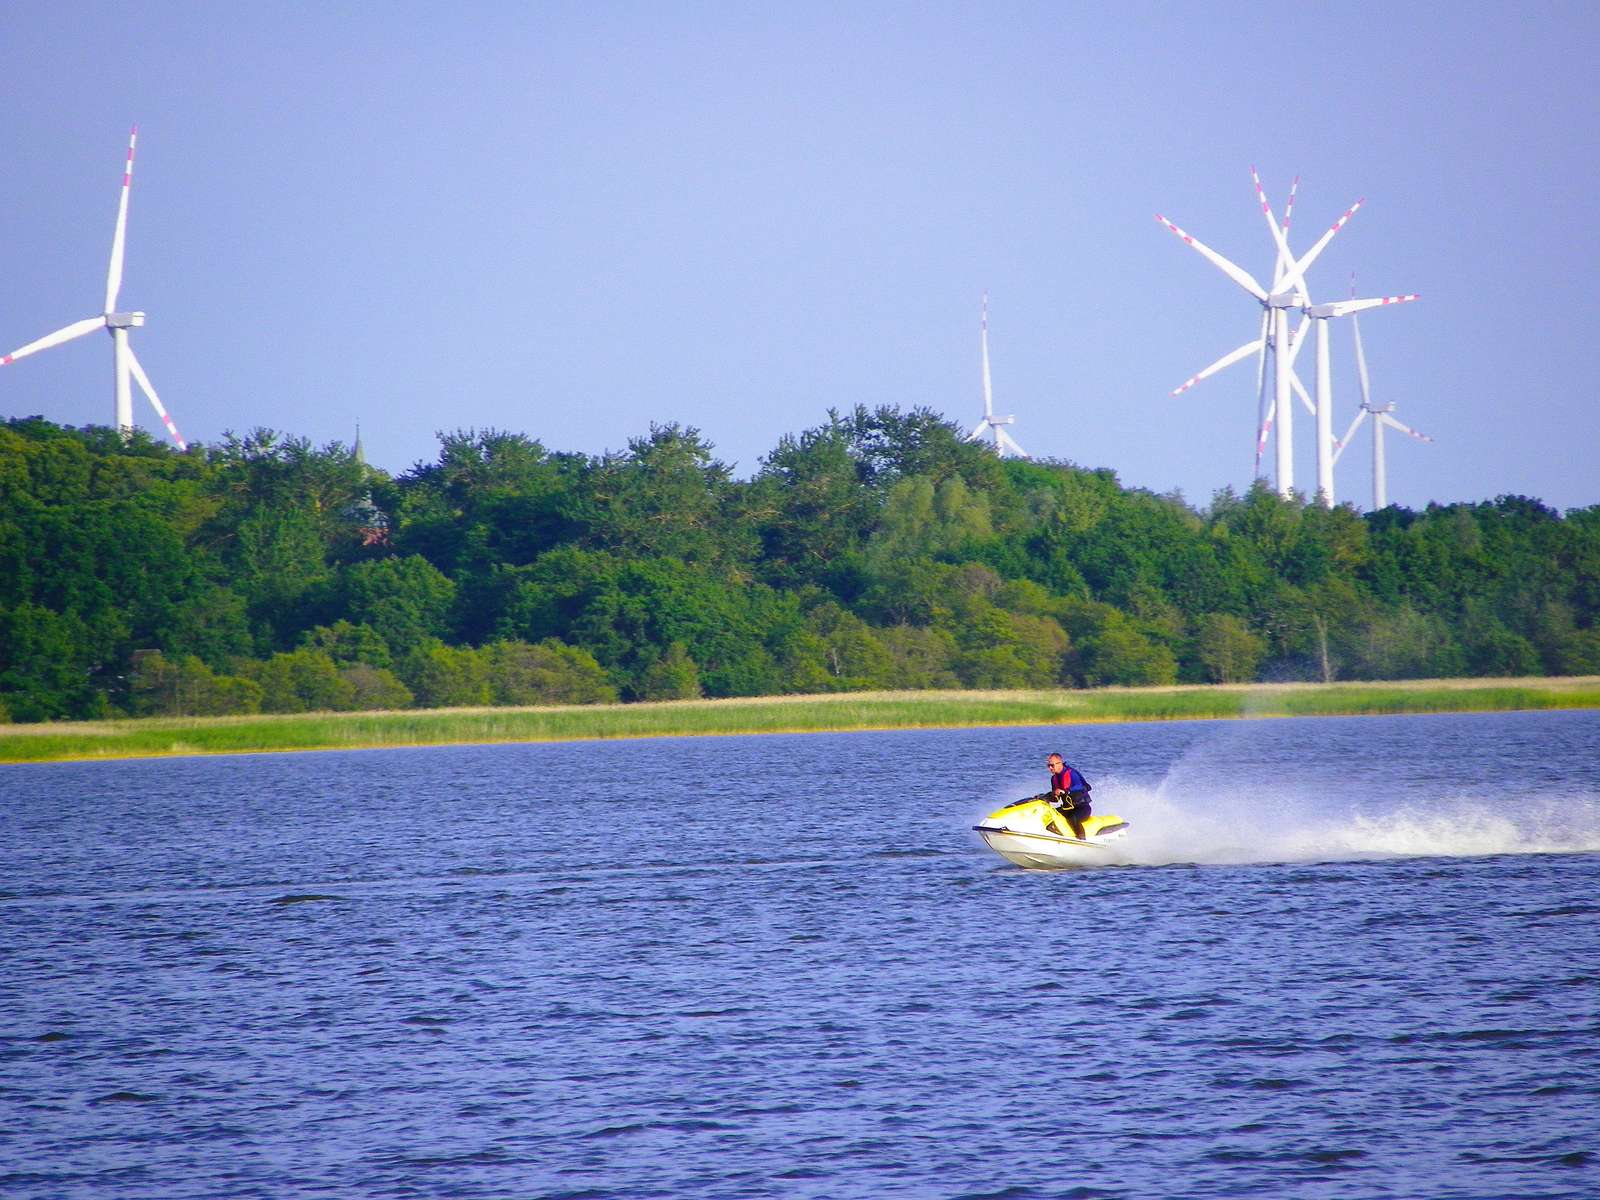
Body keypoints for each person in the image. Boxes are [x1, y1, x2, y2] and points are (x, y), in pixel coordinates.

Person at [1043, 752, 1093, 840]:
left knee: (1073, 819)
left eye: (1052, 765)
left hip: (1082, 808)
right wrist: (1045, 797)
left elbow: (1081, 787)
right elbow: (1056, 799)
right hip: (1068, 808)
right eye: (1048, 765)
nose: (1050, 768)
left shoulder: (1072, 774)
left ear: (1060, 763)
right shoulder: (1054, 779)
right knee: (1049, 814)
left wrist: (1066, 791)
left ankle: (1082, 840)